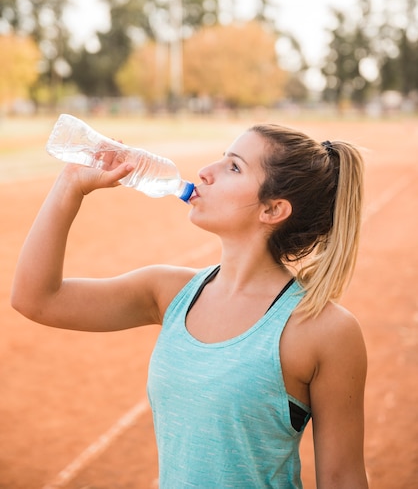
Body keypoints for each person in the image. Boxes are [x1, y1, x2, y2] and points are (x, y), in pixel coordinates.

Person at [12, 122, 369, 489]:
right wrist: (70, 185)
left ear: (273, 209)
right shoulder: (167, 291)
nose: (205, 172)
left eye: (233, 167)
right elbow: (36, 299)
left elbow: (342, 477)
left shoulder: (323, 330)